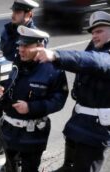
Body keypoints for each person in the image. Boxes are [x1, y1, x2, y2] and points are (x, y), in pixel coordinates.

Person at [32, 11, 110, 172]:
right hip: (79, 123)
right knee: (68, 166)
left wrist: (56, 55)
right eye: (93, 32)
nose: (95, 35)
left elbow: (93, 61)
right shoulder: (96, 45)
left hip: (95, 131)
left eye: (99, 31)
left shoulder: (105, 56)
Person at [0, 25, 69, 172]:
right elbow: (12, 88)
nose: (20, 49)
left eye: (26, 45)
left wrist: (31, 108)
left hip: (32, 136)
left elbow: (59, 100)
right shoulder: (18, 63)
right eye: (19, 45)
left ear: (40, 46)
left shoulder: (53, 69)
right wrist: (2, 92)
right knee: (10, 167)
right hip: (10, 132)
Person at [0, 0, 42, 158]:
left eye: (18, 12)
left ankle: (15, 157)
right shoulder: (9, 29)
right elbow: (5, 52)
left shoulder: (35, 36)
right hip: (7, 77)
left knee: (17, 119)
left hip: (23, 82)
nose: (13, 15)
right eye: (13, 11)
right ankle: (1, 144)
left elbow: (28, 61)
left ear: (29, 14)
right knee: (0, 112)